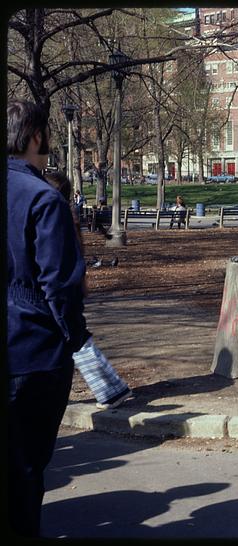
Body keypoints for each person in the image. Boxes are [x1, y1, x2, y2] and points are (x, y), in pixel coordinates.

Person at [7, 99, 87, 537]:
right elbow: (59, 285)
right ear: (37, 136)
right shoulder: (43, 198)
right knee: (26, 473)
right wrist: (76, 339)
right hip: (32, 353)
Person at [45, 171, 133, 410]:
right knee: (73, 339)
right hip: (69, 287)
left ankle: (111, 390)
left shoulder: (57, 218)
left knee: (76, 340)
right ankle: (111, 389)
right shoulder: (65, 216)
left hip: (63, 290)